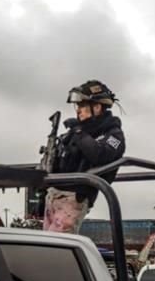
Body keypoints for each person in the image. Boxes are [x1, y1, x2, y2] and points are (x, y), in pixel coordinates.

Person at [44, 80, 126, 233]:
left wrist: (78, 132)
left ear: (97, 107)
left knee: (56, 247)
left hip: (75, 197)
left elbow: (100, 155)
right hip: (54, 194)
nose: (78, 111)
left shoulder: (113, 134)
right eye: (78, 106)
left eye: (82, 106)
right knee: (46, 245)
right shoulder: (75, 132)